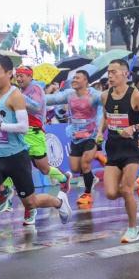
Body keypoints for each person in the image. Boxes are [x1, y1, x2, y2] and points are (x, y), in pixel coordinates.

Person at [0, 55, 71, 258]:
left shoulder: (16, 96)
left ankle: (59, 202)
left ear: (9, 73)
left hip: (17, 158)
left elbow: (24, 127)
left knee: (30, 203)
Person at [99, 59, 139, 242]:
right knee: (110, 193)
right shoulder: (105, 95)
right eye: (109, 72)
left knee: (125, 189)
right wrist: (99, 132)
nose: (110, 76)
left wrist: (133, 128)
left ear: (125, 73)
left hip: (131, 149)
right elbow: (106, 117)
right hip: (113, 148)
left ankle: (132, 229)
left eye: (114, 72)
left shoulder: (135, 95)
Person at [15, 66, 70, 225]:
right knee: (22, 170)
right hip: (20, 134)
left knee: (44, 169)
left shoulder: (35, 88)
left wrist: (18, 98)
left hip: (35, 133)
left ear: (30, 76)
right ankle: (29, 208)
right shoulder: (18, 91)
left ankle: (63, 178)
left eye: (22, 76)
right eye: (17, 76)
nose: (19, 79)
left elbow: (36, 107)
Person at [44, 69, 103, 207]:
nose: (74, 80)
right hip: (76, 136)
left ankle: (87, 193)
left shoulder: (95, 96)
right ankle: (91, 174)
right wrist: (31, 98)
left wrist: (100, 130)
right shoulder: (69, 95)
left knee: (85, 164)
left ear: (86, 81)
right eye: (74, 78)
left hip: (91, 135)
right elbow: (52, 99)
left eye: (78, 78)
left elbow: (102, 113)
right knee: (75, 168)